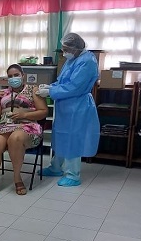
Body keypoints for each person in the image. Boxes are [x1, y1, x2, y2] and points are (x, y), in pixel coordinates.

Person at [0, 64, 49, 201]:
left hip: (28, 126)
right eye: (10, 76)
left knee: (15, 138)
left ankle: (17, 178)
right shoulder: (3, 93)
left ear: (23, 75)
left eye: (16, 75)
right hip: (5, 125)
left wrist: (24, 115)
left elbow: (44, 112)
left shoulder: (33, 90)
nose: (13, 78)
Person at [36, 33, 100, 187]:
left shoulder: (87, 62)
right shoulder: (72, 60)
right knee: (61, 137)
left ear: (75, 48)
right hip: (66, 106)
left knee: (72, 139)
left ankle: (73, 175)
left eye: (66, 49)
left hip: (77, 106)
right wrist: (51, 87)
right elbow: (63, 81)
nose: (64, 52)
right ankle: (56, 167)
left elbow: (74, 87)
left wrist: (50, 92)